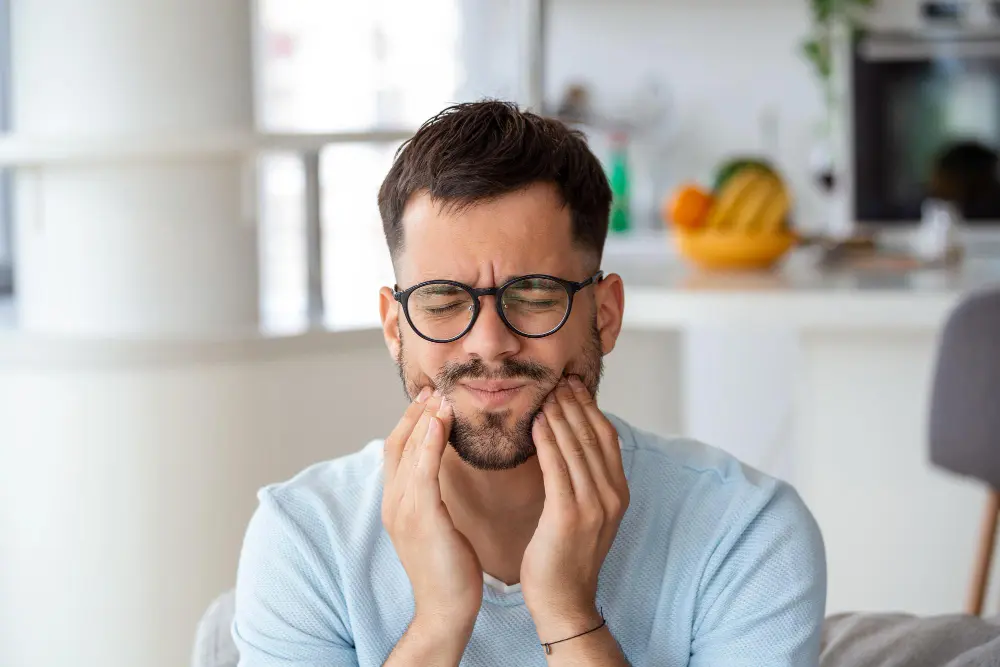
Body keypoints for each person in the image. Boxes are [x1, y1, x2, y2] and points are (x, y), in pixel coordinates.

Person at [232, 100, 827, 666]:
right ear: (395, 328)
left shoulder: (744, 530)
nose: (489, 343)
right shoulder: (304, 539)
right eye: (443, 301)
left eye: (535, 296)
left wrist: (567, 614)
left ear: (605, 314)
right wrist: (439, 622)